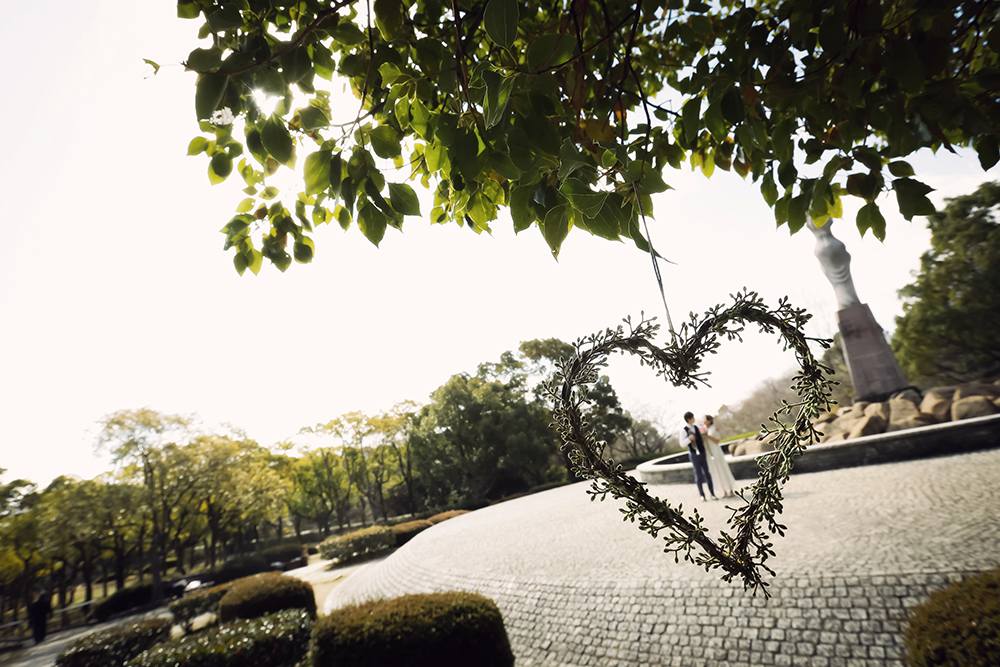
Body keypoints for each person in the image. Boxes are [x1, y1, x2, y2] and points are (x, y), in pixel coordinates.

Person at [679, 412, 715, 501]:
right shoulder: (684, 430)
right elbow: (682, 444)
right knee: (698, 475)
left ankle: (712, 493)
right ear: (689, 419)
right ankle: (702, 495)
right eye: (693, 417)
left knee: (707, 473)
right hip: (694, 454)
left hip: (702, 452)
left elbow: (704, 432)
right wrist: (689, 439)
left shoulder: (697, 427)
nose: (694, 419)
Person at [701, 415, 737, 498]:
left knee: (723, 470)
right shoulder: (703, 429)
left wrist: (707, 436)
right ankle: (724, 490)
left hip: (717, 452)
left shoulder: (714, 428)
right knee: (717, 472)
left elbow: (717, 441)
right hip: (709, 454)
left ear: (709, 420)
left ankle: (731, 489)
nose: (703, 421)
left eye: (705, 419)